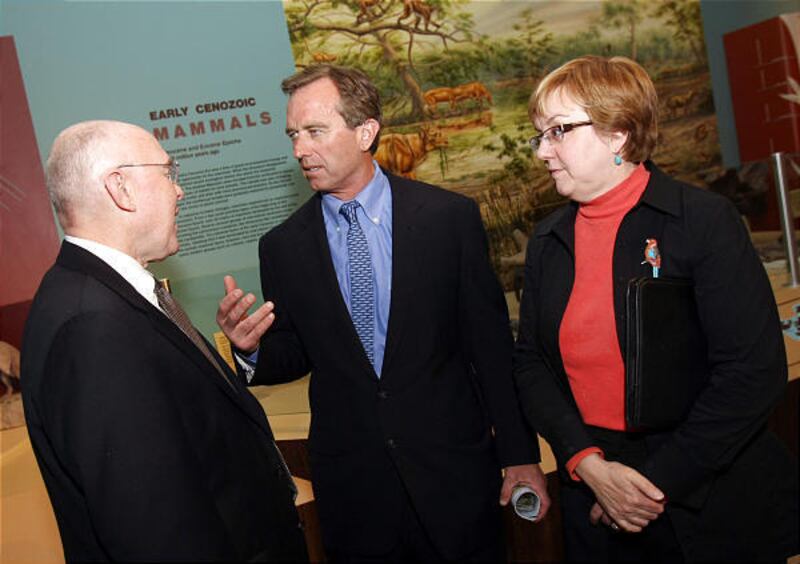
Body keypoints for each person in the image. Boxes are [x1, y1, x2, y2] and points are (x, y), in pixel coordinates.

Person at [216, 64, 550, 561]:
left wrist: (520, 456)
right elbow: (297, 352)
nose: (299, 150)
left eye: (314, 131)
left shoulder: (447, 219)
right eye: (293, 135)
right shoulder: (283, 247)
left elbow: (490, 347)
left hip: (453, 473)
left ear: (365, 132)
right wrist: (251, 350)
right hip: (355, 489)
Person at [513, 55, 799, 561]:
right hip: (596, 491)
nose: (542, 151)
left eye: (557, 131)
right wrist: (588, 464)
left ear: (617, 134)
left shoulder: (702, 221)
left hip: (709, 492)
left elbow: (752, 373)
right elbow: (531, 363)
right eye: (540, 135)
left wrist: (649, 487)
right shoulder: (548, 241)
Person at [21, 120, 308, 561]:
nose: (180, 191)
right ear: (121, 188)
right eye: (168, 172)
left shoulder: (102, 296)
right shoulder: (95, 327)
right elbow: (154, 524)